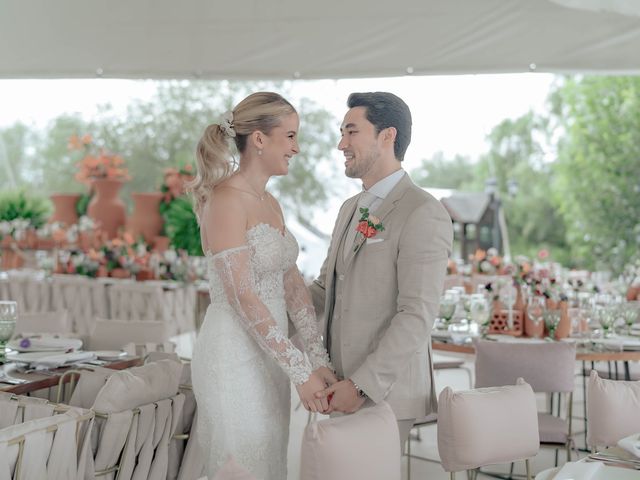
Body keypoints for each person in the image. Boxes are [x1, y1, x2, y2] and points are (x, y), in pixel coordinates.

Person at [189, 92, 336, 479]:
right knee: (240, 464)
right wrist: (299, 369)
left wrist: (317, 361)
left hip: (271, 356)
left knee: (271, 460)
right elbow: (242, 296)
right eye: (289, 136)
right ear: (259, 139)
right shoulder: (224, 201)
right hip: (231, 355)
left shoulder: (271, 202)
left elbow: (293, 287)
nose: (296, 148)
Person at [309, 92, 453, 449]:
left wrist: (360, 386)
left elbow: (417, 314)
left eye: (351, 131)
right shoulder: (349, 208)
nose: (341, 143)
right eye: (342, 132)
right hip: (337, 386)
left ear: (387, 136)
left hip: (383, 392)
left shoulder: (423, 211)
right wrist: (267, 291)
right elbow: (326, 290)